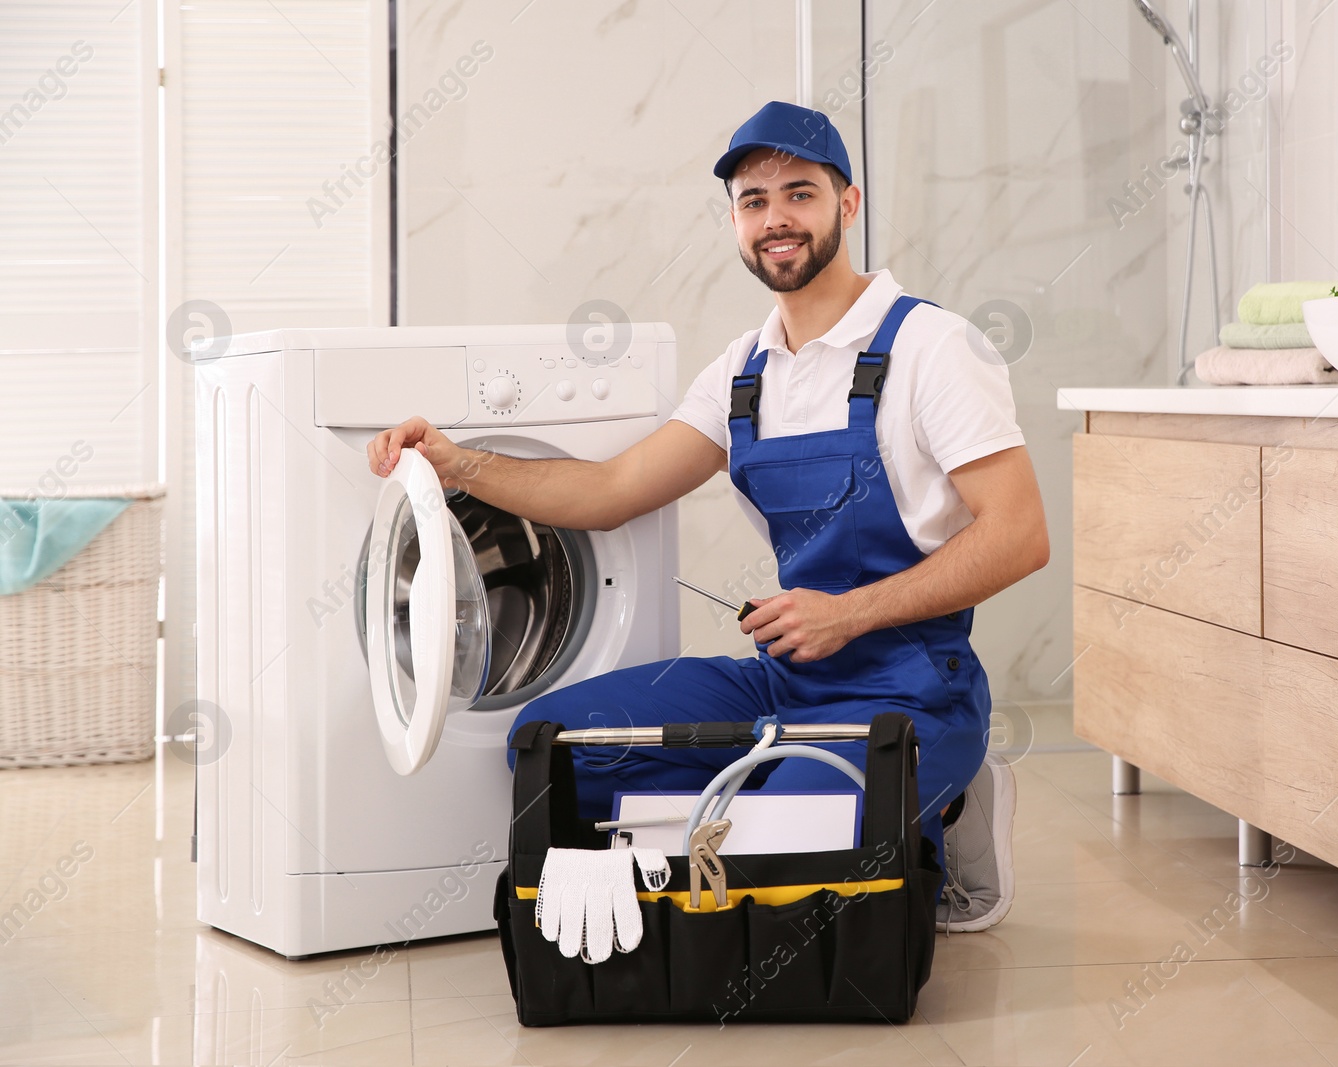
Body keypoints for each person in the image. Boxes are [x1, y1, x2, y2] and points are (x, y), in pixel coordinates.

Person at [366, 101, 1048, 931]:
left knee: (783, 848)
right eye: (754, 201)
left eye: (800, 193)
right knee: (548, 746)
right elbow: (610, 488)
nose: (776, 220)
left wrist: (848, 613)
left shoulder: (933, 348)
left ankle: (941, 809)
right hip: (785, 682)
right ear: (735, 219)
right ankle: (791, 798)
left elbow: (1019, 533)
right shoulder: (743, 373)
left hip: (912, 690)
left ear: (849, 203)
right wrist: (456, 460)